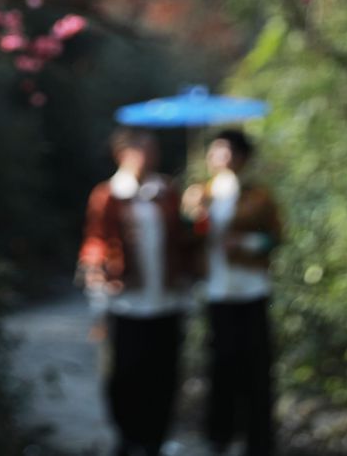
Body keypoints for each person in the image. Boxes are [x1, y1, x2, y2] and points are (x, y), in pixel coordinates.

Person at [77, 128, 189, 456]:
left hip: (165, 299)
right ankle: (127, 437)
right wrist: (96, 269)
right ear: (123, 154)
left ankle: (155, 439)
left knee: (164, 373)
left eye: (153, 150)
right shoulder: (108, 194)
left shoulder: (167, 191)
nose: (150, 157)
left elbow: (183, 238)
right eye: (143, 150)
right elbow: (96, 238)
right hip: (127, 301)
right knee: (126, 373)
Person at [183, 127, 283, 456]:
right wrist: (194, 218)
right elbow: (188, 240)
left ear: (241, 157)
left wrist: (244, 242)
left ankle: (259, 442)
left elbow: (275, 238)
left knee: (256, 371)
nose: (219, 157)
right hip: (217, 291)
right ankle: (219, 436)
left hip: (251, 291)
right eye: (214, 151)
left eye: (225, 151)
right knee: (221, 368)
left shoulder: (259, 196)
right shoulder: (201, 195)